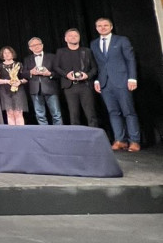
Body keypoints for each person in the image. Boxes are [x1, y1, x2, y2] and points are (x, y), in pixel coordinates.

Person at [91, 16, 141, 151]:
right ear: (96, 28)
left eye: (105, 25)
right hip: (105, 83)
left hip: (122, 81)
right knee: (113, 112)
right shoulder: (94, 43)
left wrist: (132, 78)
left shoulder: (121, 40)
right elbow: (96, 64)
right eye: (99, 26)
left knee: (128, 112)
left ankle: (134, 141)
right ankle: (120, 140)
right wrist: (97, 80)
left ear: (111, 27)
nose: (102, 28)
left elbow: (130, 59)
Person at [54, 28, 99, 128]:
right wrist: (66, 75)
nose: (73, 37)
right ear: (65, 38)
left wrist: (87, 75)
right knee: (74, 114)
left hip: (85, 86)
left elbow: (94, 68)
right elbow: (56, 67)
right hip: (69, 87)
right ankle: (76, 135)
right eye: (70, 36)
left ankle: (94, 135)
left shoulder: (87, 51)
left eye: (76, 36)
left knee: (91, 113)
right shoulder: (61, 52)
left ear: (79, 38)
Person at [23, 36, 63, 125]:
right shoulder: (27, 59)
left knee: (56, 113)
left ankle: (59, 131)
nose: (36, 46)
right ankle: (44, 132)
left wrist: (49, 74)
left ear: (42, 45)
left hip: (50, 88)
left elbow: (59, 73)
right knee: (39, 114)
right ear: (30, 48)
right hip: (35, 89)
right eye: (33, 45)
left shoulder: (52, 57)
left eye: (38, 44)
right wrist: (31, 72)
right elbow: (23, 73)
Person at [0, 45, 29, 126]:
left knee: (18, 113)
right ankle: (12, 132)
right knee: (10, 113)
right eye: (5, 53)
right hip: (5, 91)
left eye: (9, 52)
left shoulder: (19, 64)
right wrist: (7, 81)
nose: (7, 54)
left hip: (18, 91)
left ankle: (21, 132)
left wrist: (19, 82)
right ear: (2, 55)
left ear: (12, 54)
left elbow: (26, 79)